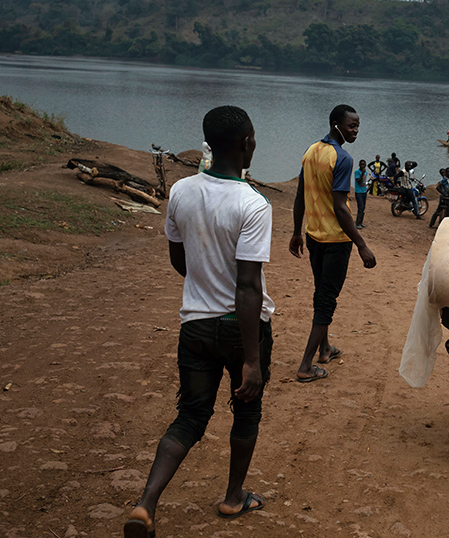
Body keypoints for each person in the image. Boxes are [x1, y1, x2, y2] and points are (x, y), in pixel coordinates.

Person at [123, 106, 274, 538]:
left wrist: (205, 282)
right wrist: (251, 359)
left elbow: (180, 260)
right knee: (246, 412)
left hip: (195, 327)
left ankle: (146, 503)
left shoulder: (183, 192)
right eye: (254, 139)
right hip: (241, 327)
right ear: (246, 145)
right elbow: (247, 287)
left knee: (189, 417)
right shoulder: (253, 204)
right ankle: (233, 497)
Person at [289, 104, 377, 383]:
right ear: (336, 124)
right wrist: (361, 244)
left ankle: (325, 349)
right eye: (351, 126)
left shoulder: (311, 151)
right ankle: (305, 366)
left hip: (314, 237)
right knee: (326, 301)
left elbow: (301, 195)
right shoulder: (342, 158)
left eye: (358, 126)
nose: (355, 131)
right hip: (336, 242)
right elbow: (341, 207)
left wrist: (296, 231)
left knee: (321, 294)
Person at [354, 160, 369, 229]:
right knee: (360, 207)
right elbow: (359, 182)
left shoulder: (366, 172)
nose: (362, 166)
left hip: (364, 192)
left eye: (364, 164)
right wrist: (362, 174)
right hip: (358, 192)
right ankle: (357, 223)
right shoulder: (357, 172)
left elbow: (364, 182)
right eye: (361, 164)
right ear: (359, 165)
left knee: (363, 207)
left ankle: (361, 222)